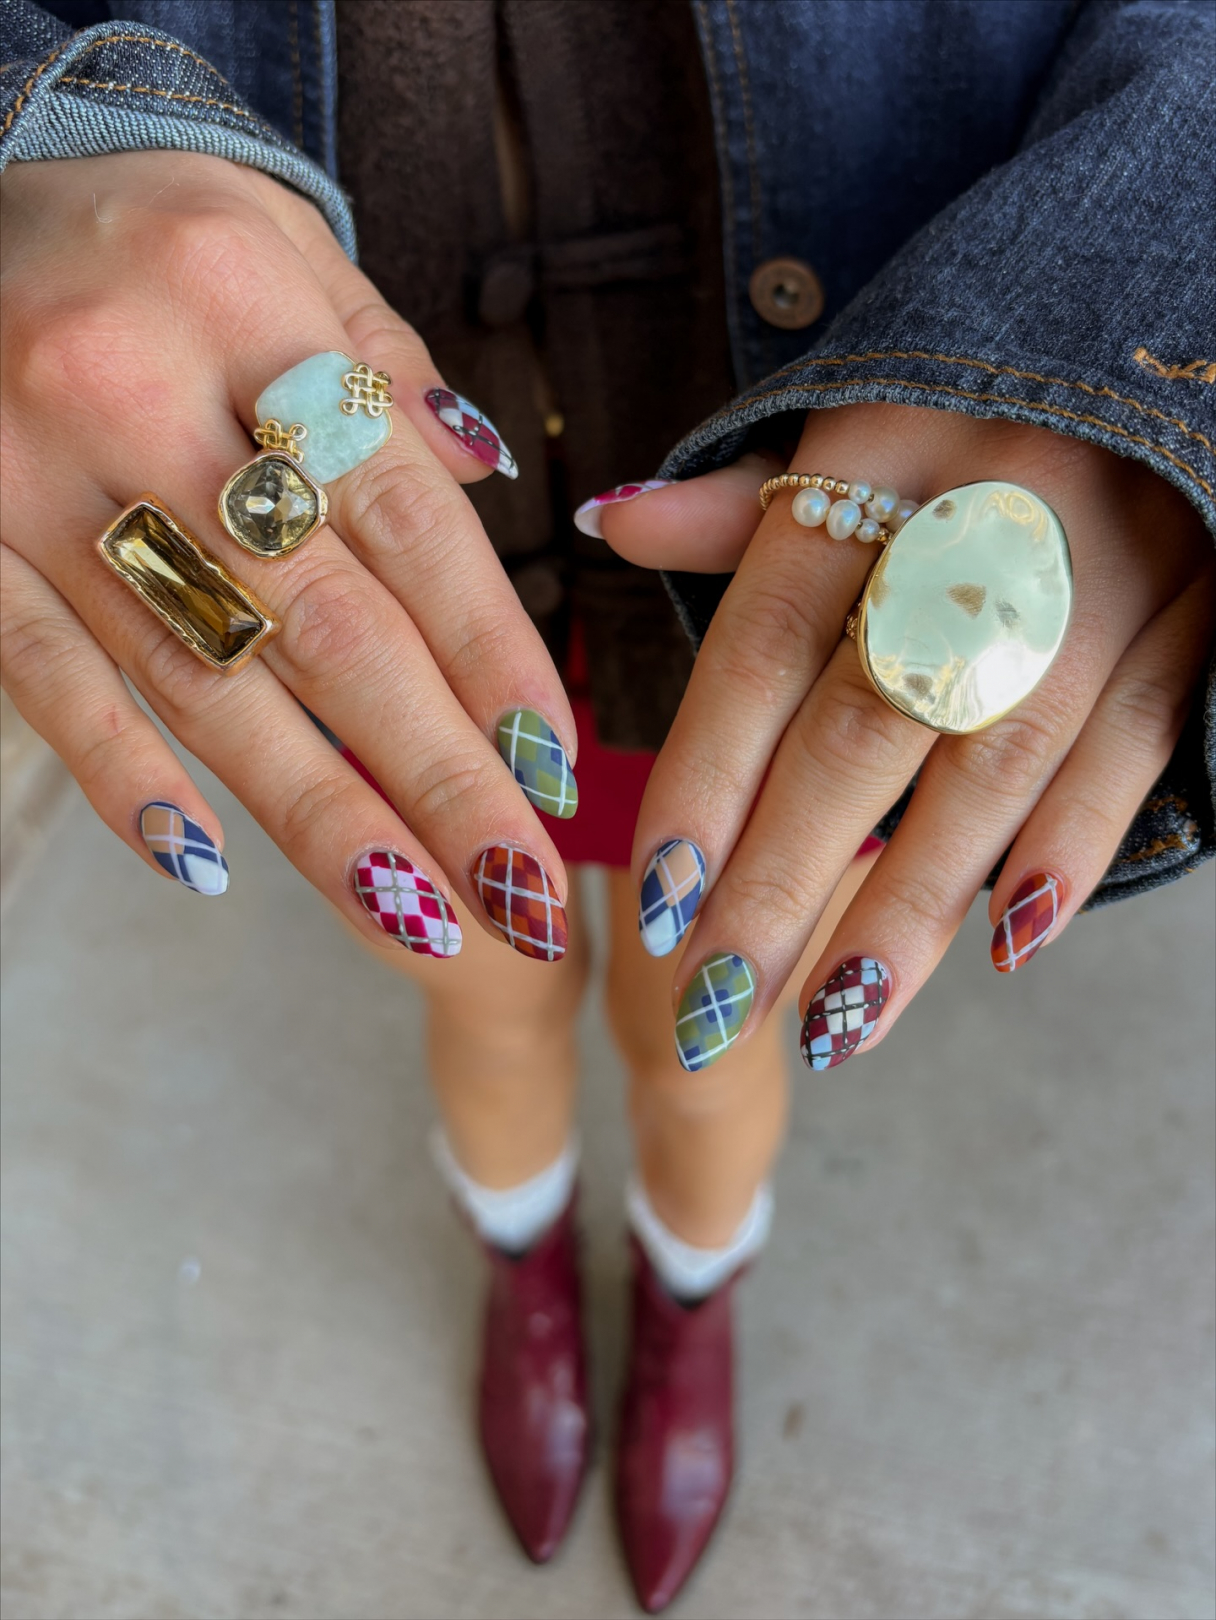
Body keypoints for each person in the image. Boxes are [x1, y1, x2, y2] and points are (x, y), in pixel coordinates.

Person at [2, 2, 1212, 1610]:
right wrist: (29, 133)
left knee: (697, 1026)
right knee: (485, 994)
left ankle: (689, 1287)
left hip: (822, 547)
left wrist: (1133, 312)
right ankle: (522, 1255)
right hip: (323, 537)